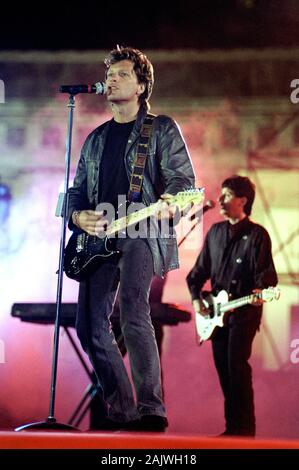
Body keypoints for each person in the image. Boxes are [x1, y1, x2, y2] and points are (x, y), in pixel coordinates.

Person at [67, 46, 195, 431]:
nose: (112, 80)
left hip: (140, 228)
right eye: (110, 75)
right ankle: (123, 410)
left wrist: (172, 200)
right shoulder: (95, 139)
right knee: (88, 327)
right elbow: (75, 193)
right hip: (97, 237)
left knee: (134, 310)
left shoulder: (161, 128)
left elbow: (183, 181)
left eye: (122, 75)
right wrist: (77, 216)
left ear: (141, 85)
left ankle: (152, 409)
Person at [186, 175, 278, 437]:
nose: (222, 200)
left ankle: (244, 429)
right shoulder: (215, 233)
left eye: (227, 195)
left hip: (244, 313)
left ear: (243, 201)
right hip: (216, 314)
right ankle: (232, 429)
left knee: (237, 365)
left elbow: (267, 277)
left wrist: (261, 292)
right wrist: (197, 301)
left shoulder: (257, 235)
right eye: (222, 195)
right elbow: (196, 274)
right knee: (224, 369)